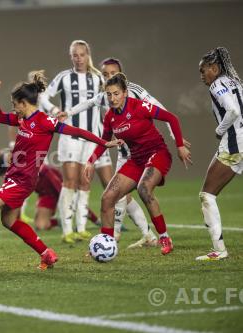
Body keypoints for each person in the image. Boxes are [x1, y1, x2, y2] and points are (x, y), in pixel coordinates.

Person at [0, 73, 122, 270]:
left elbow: (77, 131)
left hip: (22, 182)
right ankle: (47, 254)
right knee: (9, 221)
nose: (13, 108)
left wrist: (103, 142)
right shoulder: (21, 120)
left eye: (14, 104)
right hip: (15, 179)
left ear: (23, 102)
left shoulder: (45, 121)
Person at [58, 58, 190, 248]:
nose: (112, 98)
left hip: (156, 153)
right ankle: (106, 244)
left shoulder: (139, 105)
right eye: (109, 94)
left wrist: (179, 145)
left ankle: (164, 237)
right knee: (107, 198)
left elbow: (171, 117)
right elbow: (104, 141)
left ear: (125, 92)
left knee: (144, 189)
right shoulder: (110, 116)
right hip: (135, 159)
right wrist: (90, 161)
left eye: (116, 94)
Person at [39, 40, 113, 244]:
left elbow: (107, 103)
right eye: (75, 55)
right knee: (69, 180)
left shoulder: (98, 77)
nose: (78, 58)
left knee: (85, 180)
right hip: (70, 136)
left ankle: (81, 228)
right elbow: (44, 96)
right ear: (71, 56)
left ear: (88, 55)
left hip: (91, 137)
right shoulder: (64, 77)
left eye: (82, 54)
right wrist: (54, 111)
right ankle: (67, 230)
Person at [196, 47, 243, 261]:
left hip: (235, 144)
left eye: (203, 70)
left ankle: (219, 250)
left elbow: (232, 110)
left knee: (207, 195)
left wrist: (219, 130)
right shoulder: (236, 81)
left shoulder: (217, 84)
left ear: (214, 68)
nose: (202, 75)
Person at [0, 148, 100, 231]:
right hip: (45, 195)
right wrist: (16, 219)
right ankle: (58, 221)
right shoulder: (15, 175)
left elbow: (61, 190)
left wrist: (95, 220)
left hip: (56, 189)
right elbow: (17, 197)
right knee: (41, 226)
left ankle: (92, 220)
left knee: (70, 199)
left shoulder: (41, 170)